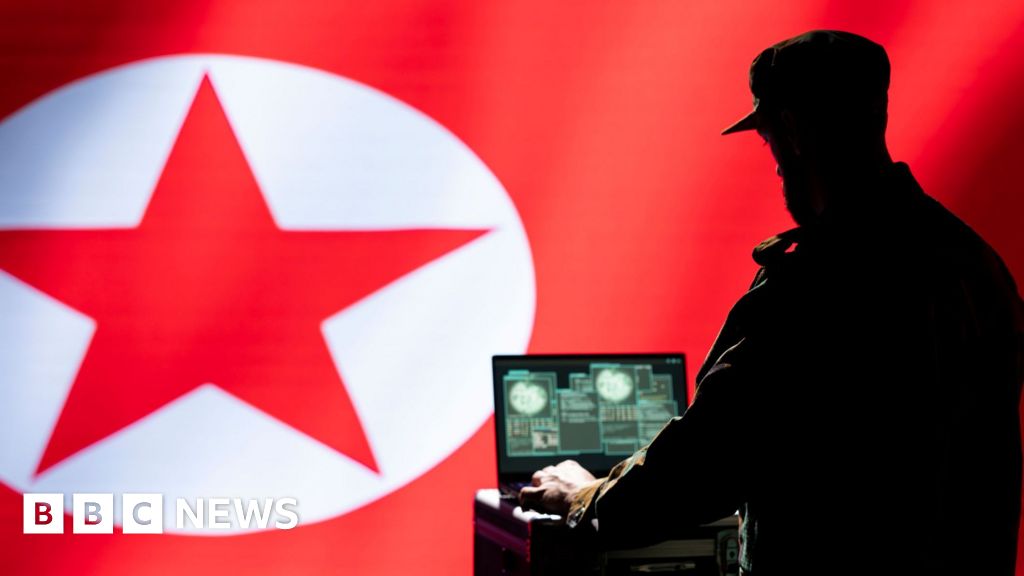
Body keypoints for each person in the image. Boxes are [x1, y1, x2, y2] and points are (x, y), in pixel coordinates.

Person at [519, 30, 1024, 576]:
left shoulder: (812, 286)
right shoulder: (980, 268)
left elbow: (697, 468)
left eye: (769, 140)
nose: (777, 166)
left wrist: (581, 496)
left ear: (793, 131)